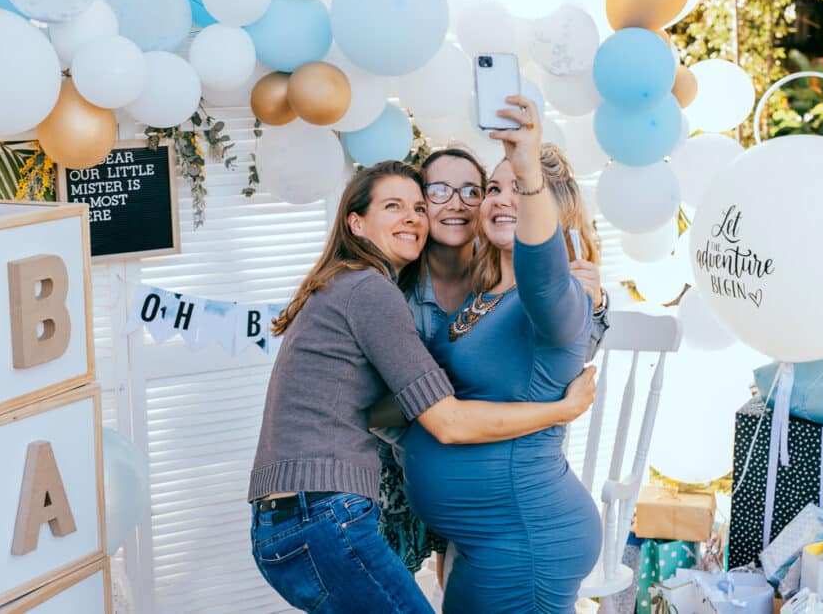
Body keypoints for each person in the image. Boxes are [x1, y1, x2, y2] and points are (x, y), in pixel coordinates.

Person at [248, 160, 597, 614]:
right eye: (393, 206)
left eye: (417, 206)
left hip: (304, 516)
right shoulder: (371, 291)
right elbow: (447, 421)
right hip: (323, 515)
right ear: (356, 222)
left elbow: (547, 291)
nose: (413, 217)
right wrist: (561, 410)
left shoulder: (353, 285)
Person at [403, 97, 603, 613]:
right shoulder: (483, 296)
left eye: (520, 188)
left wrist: (527, 168)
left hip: (526, 538)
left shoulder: (557, 298)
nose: (501, 199)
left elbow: (543, 267)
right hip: (481, 539)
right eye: (495, 188)